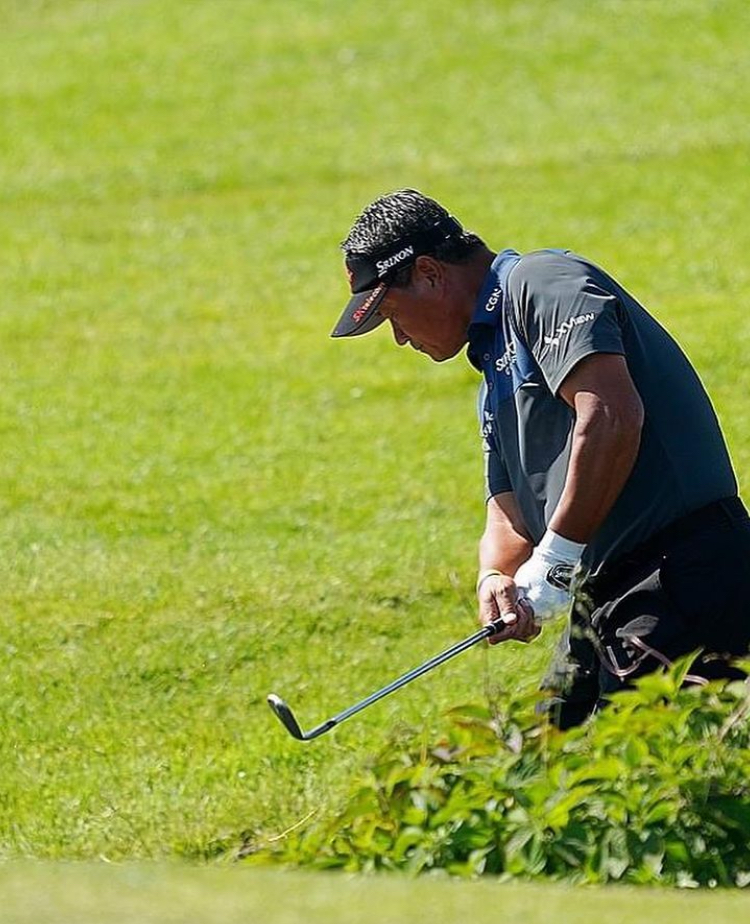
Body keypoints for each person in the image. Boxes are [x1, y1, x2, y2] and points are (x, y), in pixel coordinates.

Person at [330, 188, 750, 728]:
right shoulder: (491, 374)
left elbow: (611, 414)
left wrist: (555, 557)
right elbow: (507, 512)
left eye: (390, 313)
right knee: (538, 767)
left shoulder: (541, 281)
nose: (398, 339)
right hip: (608, 594)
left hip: (688, 574)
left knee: (643, 787)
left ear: (431, 273)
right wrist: (495, 579)